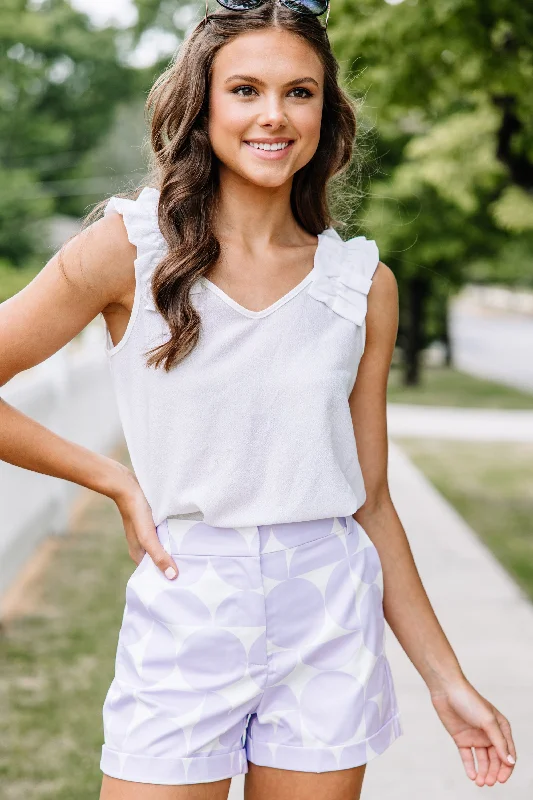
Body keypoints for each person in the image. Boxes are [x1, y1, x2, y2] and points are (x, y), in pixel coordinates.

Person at [0, 0, 517, 798]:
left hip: (328, 612)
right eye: (245, 89)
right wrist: (114, 481)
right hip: (188, 605)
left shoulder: (360, 285)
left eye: (299, 92)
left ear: (326, 112)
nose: (274, 115)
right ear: (201, 107)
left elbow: (371, 500)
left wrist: (445, 680)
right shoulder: (126, 251)